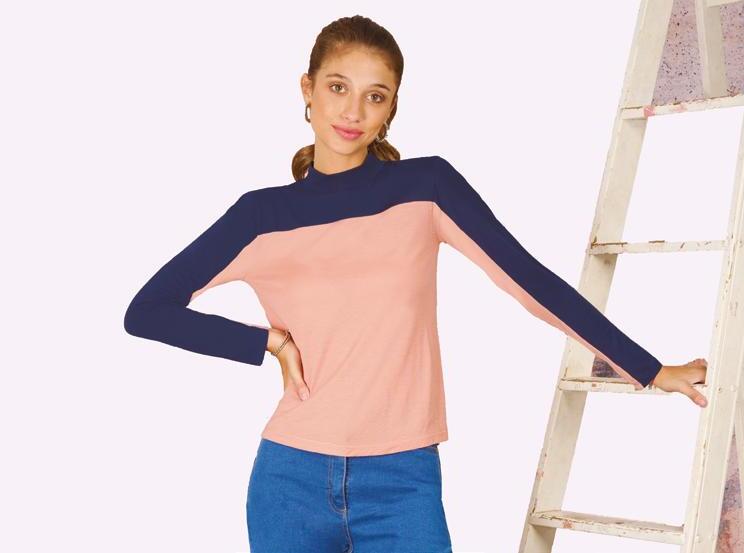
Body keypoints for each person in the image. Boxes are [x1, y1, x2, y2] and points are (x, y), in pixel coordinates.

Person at [123, 14, 708, 553]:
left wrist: (650, 369)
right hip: (289, 479)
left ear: (391, 108)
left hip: (402, 479)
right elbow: (147, 311)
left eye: (374, 96)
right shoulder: (260, 216)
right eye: (337, 87)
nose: (353, 111)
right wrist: (266, 342)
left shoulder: (426, 188)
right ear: (307, 89)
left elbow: (529, 280)